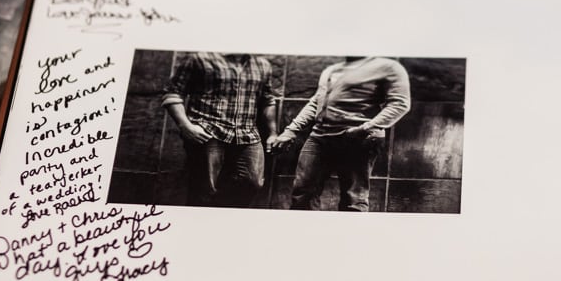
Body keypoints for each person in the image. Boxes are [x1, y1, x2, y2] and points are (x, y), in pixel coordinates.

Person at [270, 56, 411, 212]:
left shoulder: (388, 67)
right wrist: (291, 129)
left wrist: (365, 129)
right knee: (302, 194)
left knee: (353, 199)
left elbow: (400, 104)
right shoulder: (331, 69)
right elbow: (316, 101)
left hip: (357, 139)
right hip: (320, 136)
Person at [162, 52, 277, 207]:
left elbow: (268, 101)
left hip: (247, 133)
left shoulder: (263, 65)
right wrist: (185, 126)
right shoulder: (200, 58)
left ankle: (222, 215)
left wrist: (272, 133)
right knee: (204, 190)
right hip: (208, 130)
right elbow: (173, 93)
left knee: (253, 182)